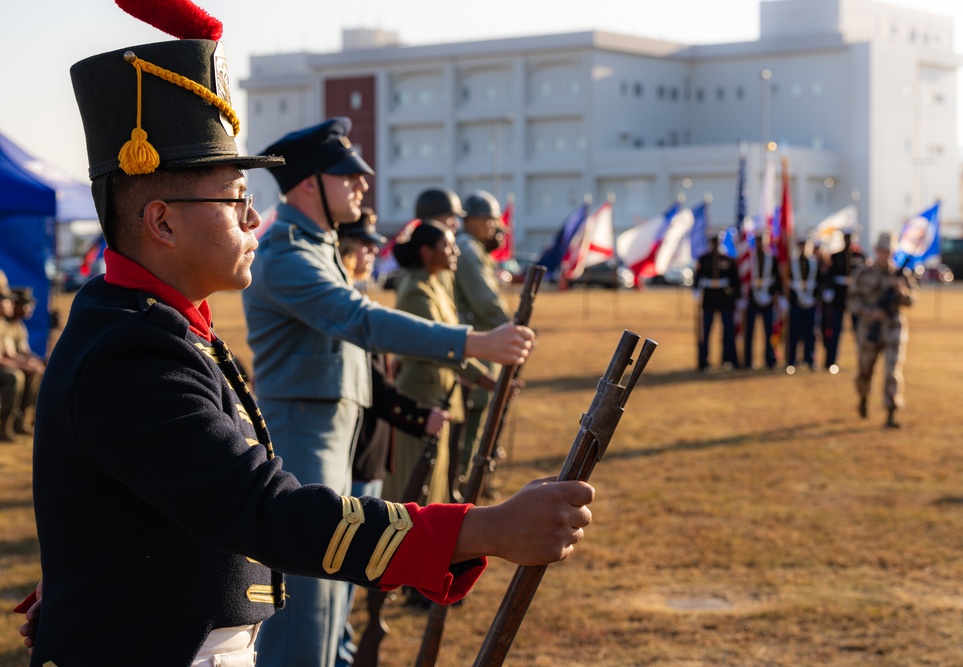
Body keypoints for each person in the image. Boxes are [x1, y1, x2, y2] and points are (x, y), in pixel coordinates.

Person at [24, 33, 593, 665]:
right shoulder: (132, 351)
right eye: (235, 200)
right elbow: (262, 510)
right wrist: (484, 528)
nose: (251, 221)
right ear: (162, 223)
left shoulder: (152, 326)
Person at [242, 119, 535, 667]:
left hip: (329, 437)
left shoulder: (316, 246)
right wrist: (475, 341)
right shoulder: (285, 253)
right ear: (308, 183)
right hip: (303, 438)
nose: (361, 186)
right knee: (304, 611)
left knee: (330, 601)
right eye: (347, 176)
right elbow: (361, 320)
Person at [337, 209, 451, 664]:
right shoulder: (341, 304)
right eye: (364, 245)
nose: (372, 252)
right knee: (346, 557)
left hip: (373, 441)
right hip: (359, 444)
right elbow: (375, 386)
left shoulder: (355, 296)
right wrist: (417, 416)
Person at [382, 221, 494, 506]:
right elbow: (439, 346)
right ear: (427, 251)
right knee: (412, 489)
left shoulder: (433, 283)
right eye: (448, 245)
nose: (455, 251)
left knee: (435, 485)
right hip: (419, 398)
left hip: (438, 396)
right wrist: (483, 378)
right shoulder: (415, 290)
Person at [454, 190, 512, 489]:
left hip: (479, 340)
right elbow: (485, 302)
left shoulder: (471, 247)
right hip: (477, 341)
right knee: (474, 417)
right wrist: (512, 329)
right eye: (488, 218)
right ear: (473, 220)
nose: (494, 225)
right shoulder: (469, 249)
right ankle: (465, 482)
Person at [848, 232, 917, 428]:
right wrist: (870, 312)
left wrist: (900, 291)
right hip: (869, 329)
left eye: (888, 251)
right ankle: (863, 397)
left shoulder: (901, 275)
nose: (884, 254)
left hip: (893, 329)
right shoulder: (862, 274)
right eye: (881, 250)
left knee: (892, 372)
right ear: (875, 250)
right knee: (865, 371)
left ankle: (891, 413)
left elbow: (912, 300)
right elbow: (852, 301)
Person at [0, 284, 43, 440]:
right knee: (15, 376)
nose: (10, 304)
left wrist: (35, 363)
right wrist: (25, 365)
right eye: (6, 301)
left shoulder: (14, 325)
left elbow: (19, 352)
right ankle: (5, 425)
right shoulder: (3, 324)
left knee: (36, 370)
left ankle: (22, 420)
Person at [819, 230, 866, 374]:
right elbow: (830, 275)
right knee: (835, 331)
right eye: (846, 238)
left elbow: (864, 277)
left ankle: (864, 362)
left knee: (859, 332)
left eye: (850, 238)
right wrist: (828, 290)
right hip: (839, 298)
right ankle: (830, 362)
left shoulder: (860, 256)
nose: (848, 241)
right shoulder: (835, 256)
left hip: (855, 298)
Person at [693, 234, 739, 371]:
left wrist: (735, 296)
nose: (715, 245)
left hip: (724, 298)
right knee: (706, 332)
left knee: (728, 331)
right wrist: (695, 291)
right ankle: (704, 361)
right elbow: (698, 277)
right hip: (709, 299)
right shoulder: (703, 259)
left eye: (717, 242)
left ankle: (728, 359)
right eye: (713, 242)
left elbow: (734, 279)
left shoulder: (728, 259)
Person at [742, 232, 782, 370]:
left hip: (768, 299)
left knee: (769, 331)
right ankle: (747, 362)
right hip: (752, 299)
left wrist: (773, 295)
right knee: (749, 332)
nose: (760, 243)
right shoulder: (749, 258)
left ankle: (770, 360)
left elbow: (777, 279)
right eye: (757, 241)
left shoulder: (772, 258)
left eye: (762, 240)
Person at [787, 237, 820, 372]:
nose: (802, 248)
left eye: (804, 245)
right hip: (796, 303)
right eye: (800, 245)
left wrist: (815, 297)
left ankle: (809, 359)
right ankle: (791, 360)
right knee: (794, 332)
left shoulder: (814, 262)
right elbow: (787, 281)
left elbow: (819, 281)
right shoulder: (792, 262)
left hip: (811, 301)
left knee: (810, 332)